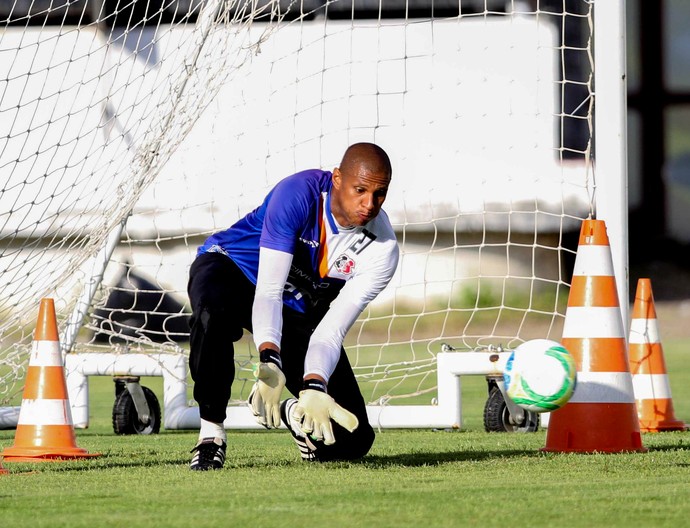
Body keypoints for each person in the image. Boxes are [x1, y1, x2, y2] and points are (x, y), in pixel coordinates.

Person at [186, 142, 399, 470]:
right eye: (360, 190)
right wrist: (270, 359)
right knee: (211, 312)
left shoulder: (382, 250)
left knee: (354, 439)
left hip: (295, 307)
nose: (369, 204)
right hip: (235, 271)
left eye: (380, 194)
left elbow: (330, 333)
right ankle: (211, 433)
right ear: (338, 179)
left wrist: (315, 384)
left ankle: (293, 415)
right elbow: (268, 292)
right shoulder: (298, 194)